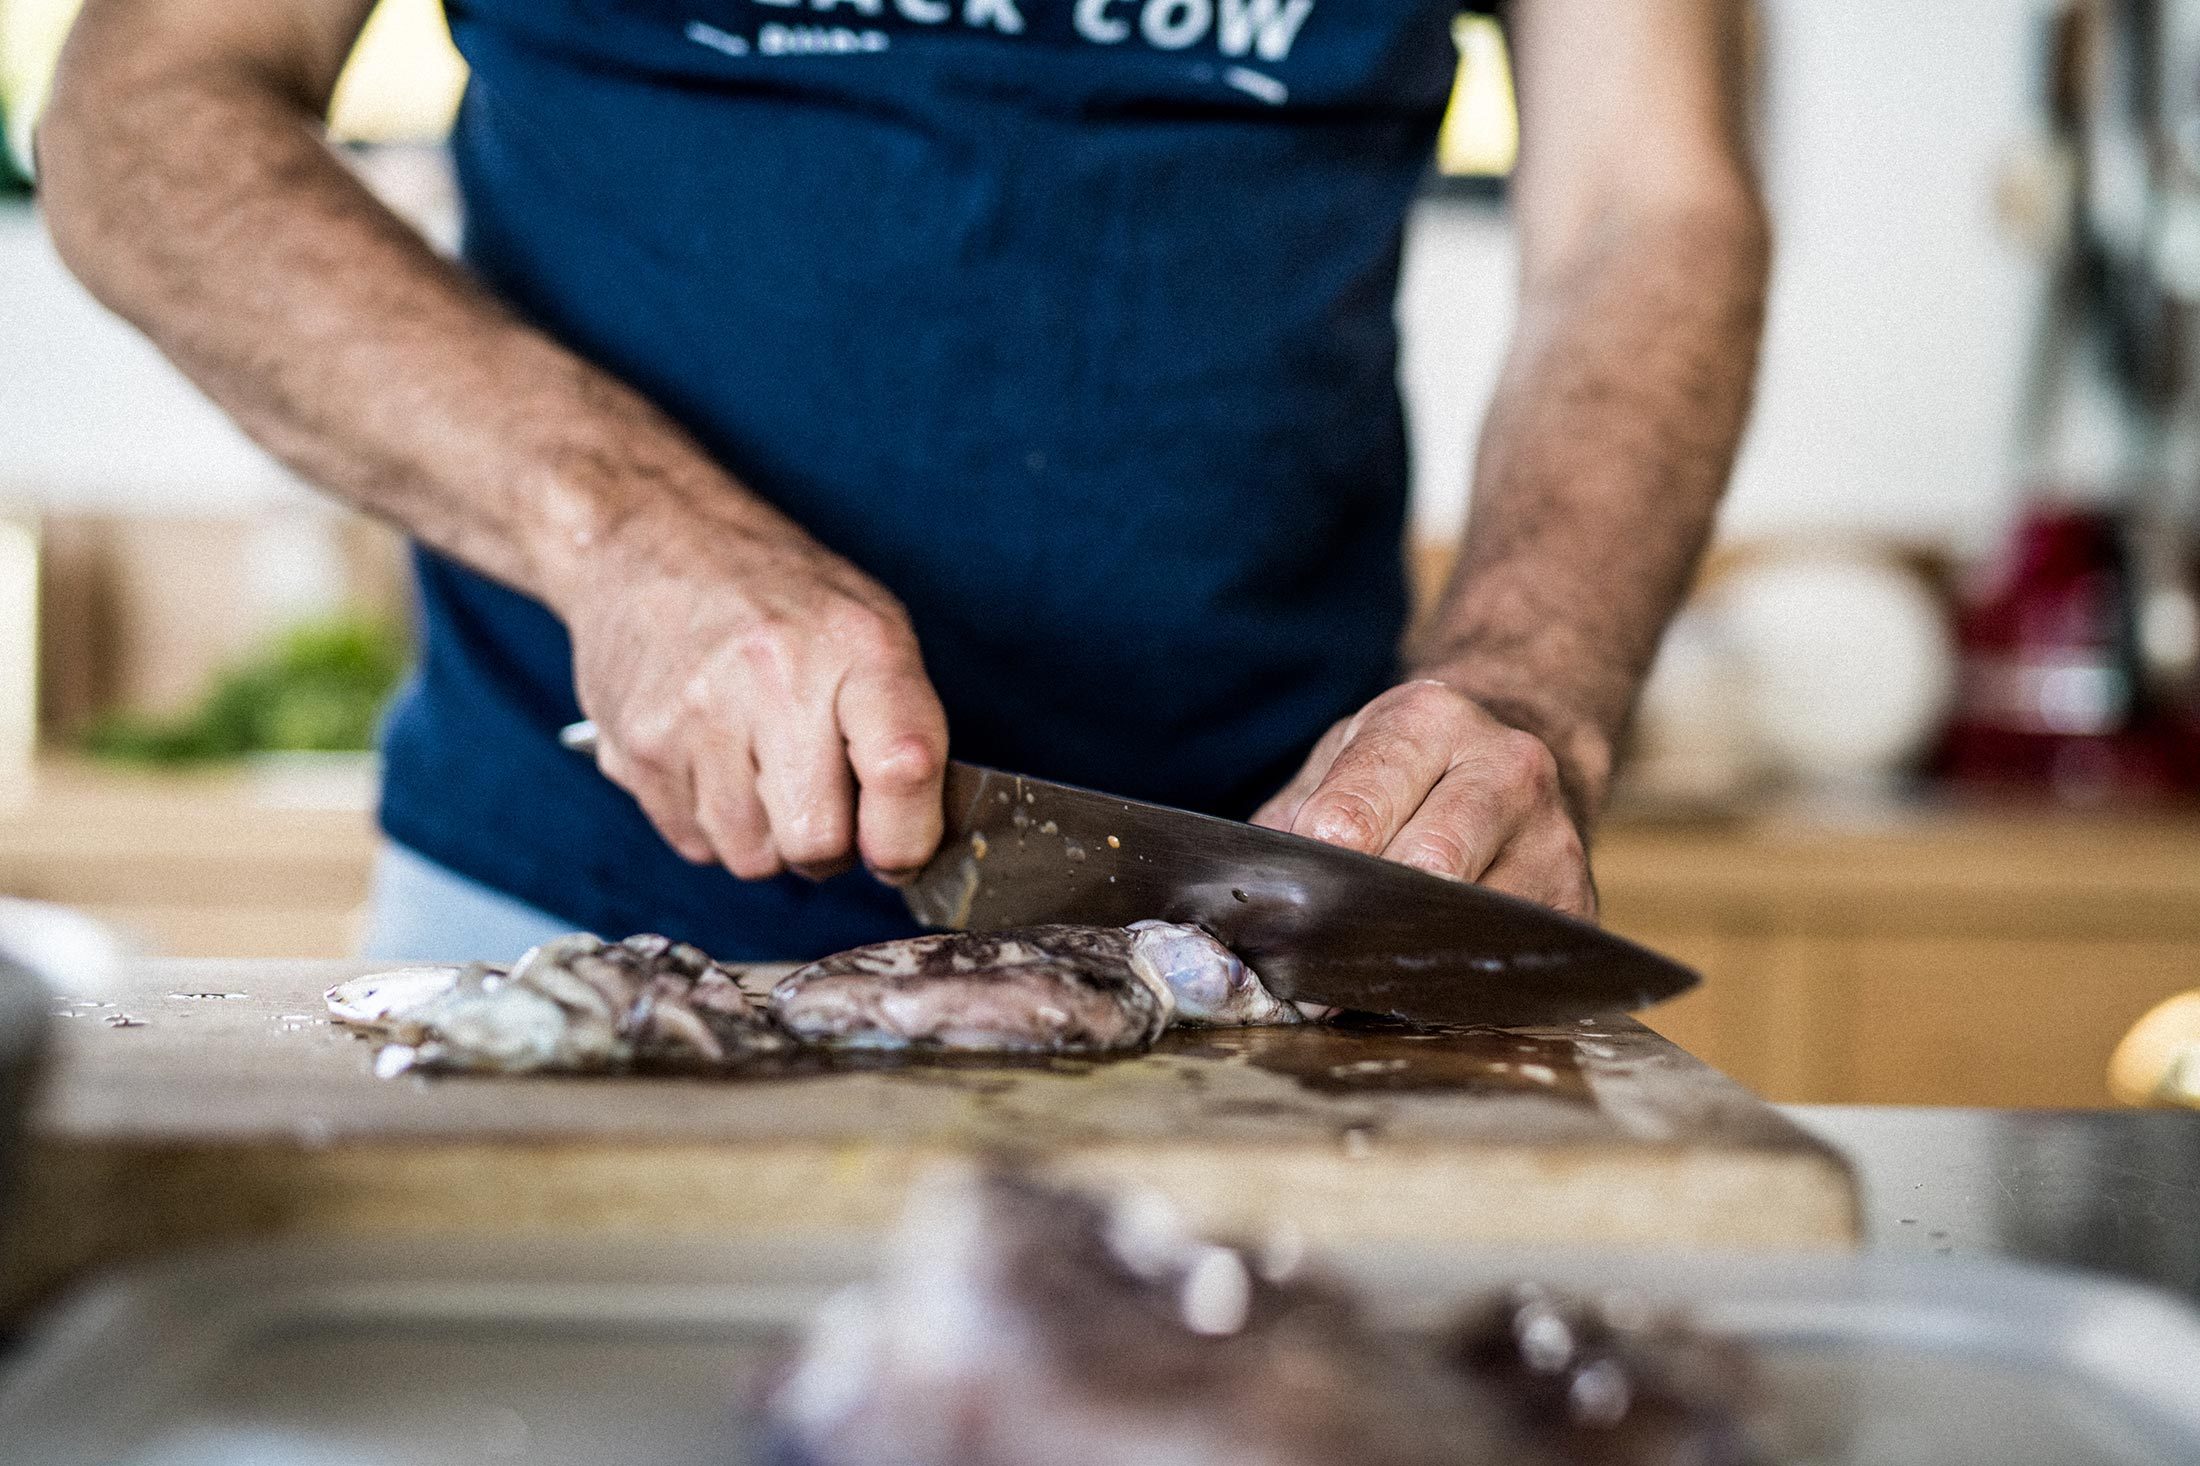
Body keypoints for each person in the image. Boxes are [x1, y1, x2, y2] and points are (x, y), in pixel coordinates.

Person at [38, 0, 1767, 962]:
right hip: (554, 926)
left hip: (1263, 935)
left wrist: (1528, 684)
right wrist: (621, 532)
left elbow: (1648, 205)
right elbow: (144, 105)